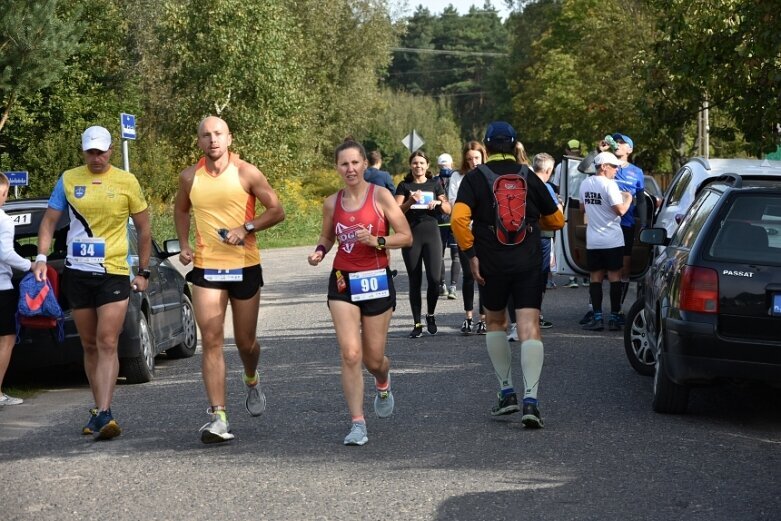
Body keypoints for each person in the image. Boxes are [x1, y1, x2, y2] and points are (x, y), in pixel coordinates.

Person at [33, 126, 151, 439]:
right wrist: (42, 257)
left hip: (113, 271)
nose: (96, 158)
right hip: (78, 272)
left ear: (112, 150)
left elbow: (144, 227)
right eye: (91, 152)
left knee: (107, 340)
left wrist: (143, 271)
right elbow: (48, 221)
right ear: (83, 152)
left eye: (101, 151)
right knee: (88, 344)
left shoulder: (127, 181)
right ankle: (98, 409)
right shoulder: (69, 179)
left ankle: (106, 411)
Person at [174, 116, 285, 444]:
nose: (213, 140)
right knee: (211, 339)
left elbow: (277, 210)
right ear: (199, 142)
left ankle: (251, 377)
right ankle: (218, 416)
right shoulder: (189, 177)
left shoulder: (246, 172)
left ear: (229, 138)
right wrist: (184, 244)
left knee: (245, 343)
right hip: (208, 268)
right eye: (206, 135)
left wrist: (246, 228)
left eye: (218, 133)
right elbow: (180, 211)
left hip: (244, 266)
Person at [451, 121, 563, 428]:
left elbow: (458, 220)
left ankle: (505, 392)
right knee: (529, 327)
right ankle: (531, 401)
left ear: (486, 149)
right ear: (515, 146)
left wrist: (471, 254)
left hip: (491, 261)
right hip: (527, 260)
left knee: (496, 322)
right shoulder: (529, 176)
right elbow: (558, 219)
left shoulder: (475, 177)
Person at [307, 139, 412, 446]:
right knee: (351, 353)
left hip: (376, 280)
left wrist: (377, 241)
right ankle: (357, 423)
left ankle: (382, 381)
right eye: (344, 164)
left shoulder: (380, 196)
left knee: (373, 358)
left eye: (355, 163)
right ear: (337, 168)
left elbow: (406, 236)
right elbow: (327, 237)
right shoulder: (331, 202)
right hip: (343, 280)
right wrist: (319, 251)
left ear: (365, 164)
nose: (350, 169)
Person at [395, 151, 451, 338]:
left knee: (435, 280)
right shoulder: (404, 185)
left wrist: (438, 203)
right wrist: (411, 201)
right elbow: (396, 211)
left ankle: (431, 315)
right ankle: (417, 323)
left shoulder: (435, 184)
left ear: (427, 165)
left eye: (421, 163)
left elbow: (448, 208)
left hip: (432, 233)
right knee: (415, 280)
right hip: (411, 235)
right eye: (415, 163)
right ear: (410, 165)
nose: (418, 166)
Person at [579, 152, 632, 331]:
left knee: (595, 278)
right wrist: (629, 198)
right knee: (615, 276)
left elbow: (581, 208)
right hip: (612, 240)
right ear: (604, 167)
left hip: (593, 240)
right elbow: (621, 211)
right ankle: (615, 317)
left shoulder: (585, 183)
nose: (616, 170)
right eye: (614, 166)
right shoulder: (610, 185)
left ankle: (597, 317)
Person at [448, 141, 488, 334]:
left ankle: (483, 318)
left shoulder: (487, 174)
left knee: (484, 276)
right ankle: (468, 317)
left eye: (477, 158)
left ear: (483, 157)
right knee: (468, 275)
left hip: (484, 232)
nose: (474, 162)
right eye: (470, 159)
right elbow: (454, 202)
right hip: (465, 230)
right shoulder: (458, 176)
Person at [0, 173, 32, 406]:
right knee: (6, 340)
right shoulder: (4, 220)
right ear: (5, 192)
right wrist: (32, 265)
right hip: (1, 287)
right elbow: (5, 254)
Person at [612, 133, 646, 321]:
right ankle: (595, 309)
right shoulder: (605, 165)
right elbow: (584, 168)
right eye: (615, 142)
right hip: (604, 224)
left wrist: (645, 224)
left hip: (626, 225)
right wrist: (599, 151)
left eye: (621, 143)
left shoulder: (636, 172)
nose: (617, 145)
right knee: (601, 269)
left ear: (629, 149)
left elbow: (640, 200)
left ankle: (617, 309)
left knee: (624, 268)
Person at [434, 153, 460, 300]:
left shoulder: (434, 180)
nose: (445, 168)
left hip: (443, 221)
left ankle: (445, 286)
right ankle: (451, 287)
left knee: (442, 255)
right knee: (453, 255)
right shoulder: (457, 179)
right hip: (452, 221)